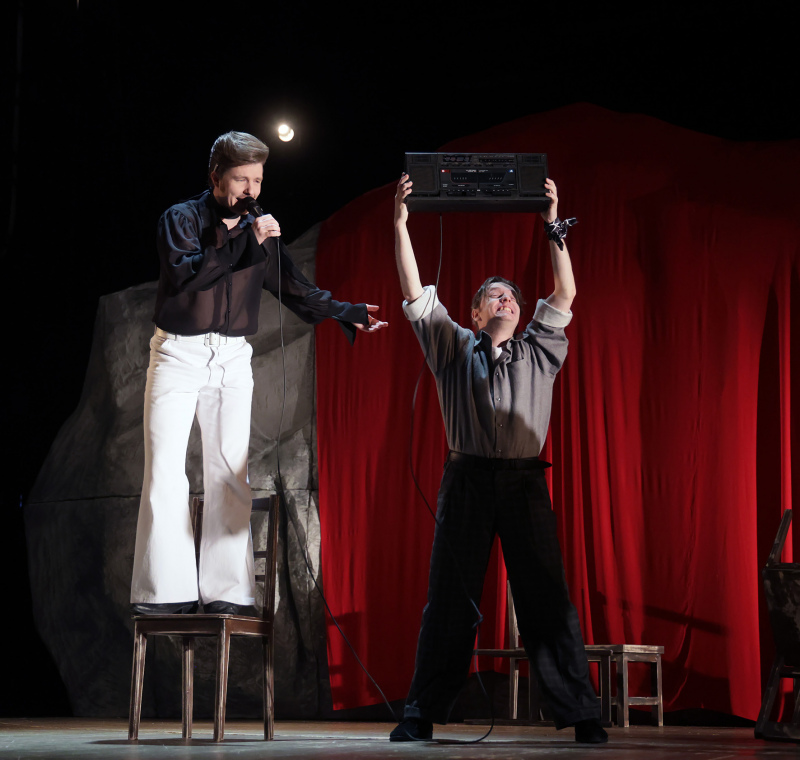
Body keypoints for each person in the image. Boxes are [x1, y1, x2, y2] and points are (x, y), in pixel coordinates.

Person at [130, 131, 387, 616]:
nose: (251, 190)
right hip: (179, 353)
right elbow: (188, 275)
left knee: (230, 471)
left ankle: (227, 591)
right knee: (164, 467)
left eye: (258, 180)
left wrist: (345, 311)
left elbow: (292, 285)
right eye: (241, 180)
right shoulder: (182, 219)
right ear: (215, 176)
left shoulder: (257, 230)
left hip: (231, 358)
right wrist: (248, 242)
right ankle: (165, 592)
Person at [389, 174, 607, 744]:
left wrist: (552, 226)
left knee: (546, 600)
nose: (506, 298)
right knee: (449, 600)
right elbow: (414, 292)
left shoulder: (540, 349)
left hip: (523, 484)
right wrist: (401, 225)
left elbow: (565, 294)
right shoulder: (452, 346)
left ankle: (582, 714)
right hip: (466, 480)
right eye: (494, 295)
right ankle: (421, 712)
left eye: (511, 294)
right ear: (476, 314)